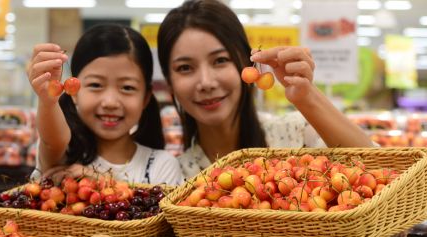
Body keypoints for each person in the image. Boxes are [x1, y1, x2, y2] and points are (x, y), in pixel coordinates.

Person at [157, 0, 374, 179]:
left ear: (245, 62)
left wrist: (308, 98)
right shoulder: (175, 176)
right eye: (185, 68)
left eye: (220, 60)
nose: (206, 82)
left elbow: (381, 171)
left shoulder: (295, 135)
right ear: (170, 83)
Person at [27, 24, 184, 186]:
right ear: (73, 93)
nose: (110, 102)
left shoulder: (161, 165)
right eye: (96, 85)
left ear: (145, 98)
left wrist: (104, 184)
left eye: (127, 87)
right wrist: (47, 101)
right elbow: (53, 141)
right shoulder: (64, 153)